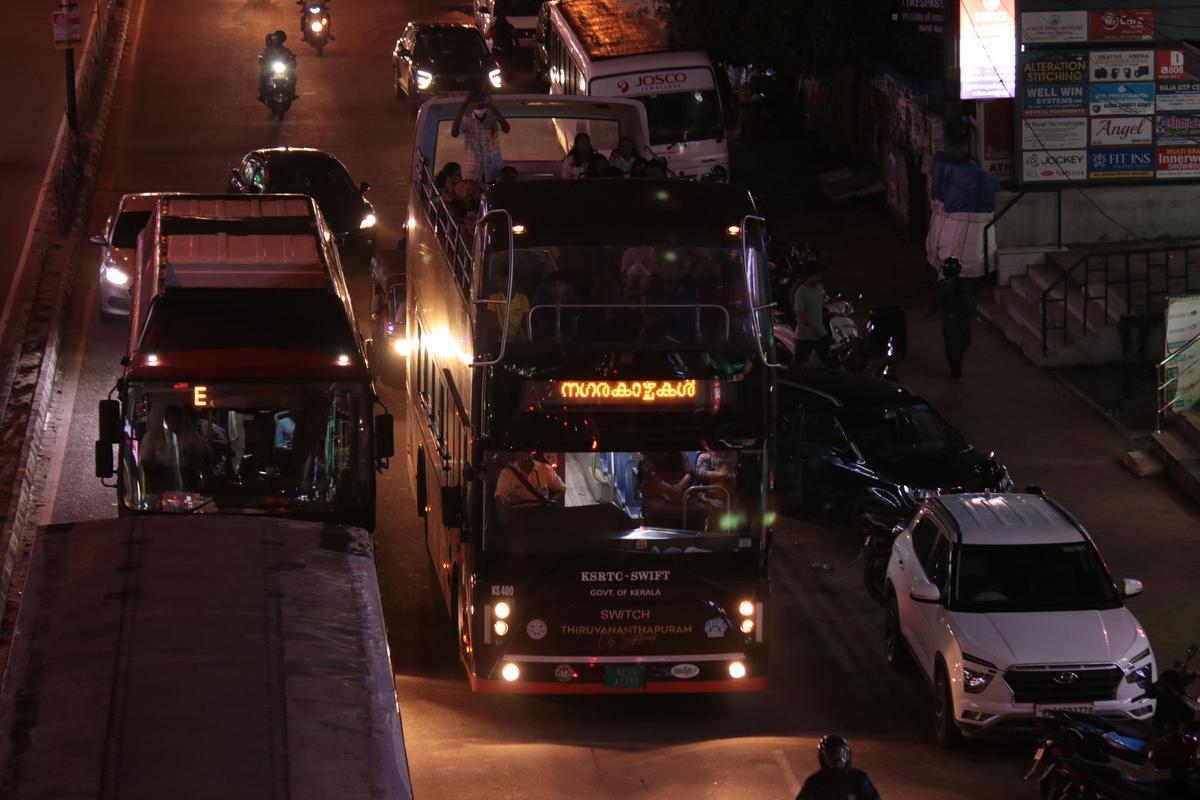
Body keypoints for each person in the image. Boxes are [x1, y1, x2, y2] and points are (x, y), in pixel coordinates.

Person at [795, 735, 880, 800]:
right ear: (823, 759)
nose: (838, 761)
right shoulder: (814, 783)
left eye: (843, 755)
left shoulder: (858, 779)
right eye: (832, 757)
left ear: (848, 755)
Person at [451, 89, 511, 183]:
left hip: (493, 171)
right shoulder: (467, 120)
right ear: (471, 103)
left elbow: (506, 129)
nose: (479, 103)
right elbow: (454, 133)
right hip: (472, 173)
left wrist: (492, 106)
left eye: (481, 100)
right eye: (475, 101)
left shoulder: (493, 118)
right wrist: (464, 105)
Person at [931, 257, 974, 380]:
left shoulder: (959, 285)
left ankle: (955, 366)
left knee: (958, 344)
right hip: (953, 320)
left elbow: (939, 301)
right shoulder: (952, 285)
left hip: (956, 320)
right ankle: (955, 368)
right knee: (954, 345)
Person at [791, 264, 835, 371]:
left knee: (829, 361)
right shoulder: (801, 292)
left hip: (820, 332)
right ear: (808, 276)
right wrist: (811, 328)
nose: (819, 278)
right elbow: (799, 314)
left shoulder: (820, 288)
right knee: (798, 365)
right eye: (816, 276)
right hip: (804, 335)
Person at [494, 452, 565, 511]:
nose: (525, 457)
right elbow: (500, 495)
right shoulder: (506, 473)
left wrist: (552, 502)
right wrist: (505, 505)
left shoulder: (545, 469)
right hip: (519, 515)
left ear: (531, 454)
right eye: (521, 454)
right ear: (516, 455)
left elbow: (561, 488)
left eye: (527, 453)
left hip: (542, 512)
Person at [530, 270, 579, 339]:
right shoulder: (544, 305)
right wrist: (551, 339)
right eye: (553, 285)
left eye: (559, 285)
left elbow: (575, 329)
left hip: (568, 344)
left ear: (566, 288)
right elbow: (539, 330)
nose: (556, 288)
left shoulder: (572, 305)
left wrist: (566, 341)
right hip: (549, 344)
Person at [487, 272, 530, 340]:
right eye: (498, 281)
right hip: (500, 337)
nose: (499, 284)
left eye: (503, 281)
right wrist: (501, 337)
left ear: (513, 283)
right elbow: (492, 323)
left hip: (517, 337)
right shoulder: (494, 298)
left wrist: (522, 336)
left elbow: (525, 322)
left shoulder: (523, 299)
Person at [258, 31, 296, 102]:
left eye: (278, 39)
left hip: (284, 70)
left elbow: (291, 60)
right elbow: (261, 58)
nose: (276, 41)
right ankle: (262, 94)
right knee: (262, 76)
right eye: (275, 39)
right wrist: (263, 62)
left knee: (293, 76)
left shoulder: (286, 50)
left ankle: (292, 93)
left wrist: (292, 62)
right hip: (269, 70)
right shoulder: (267, 50)